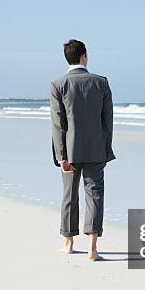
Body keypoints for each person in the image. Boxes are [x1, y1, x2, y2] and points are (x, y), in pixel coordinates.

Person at [50, 39, 115, 261]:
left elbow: (58, 124)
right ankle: (92, 248)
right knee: (95, 194)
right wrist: (106, 148)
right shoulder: (101, 82)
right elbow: (108, 120)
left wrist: (61, 156)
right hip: (97, 148)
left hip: (69, 150)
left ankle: (68, 243)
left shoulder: (58, 85)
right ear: (84, 56)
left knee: (69, 196)